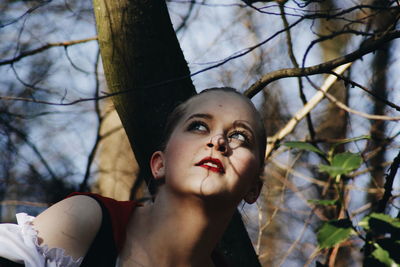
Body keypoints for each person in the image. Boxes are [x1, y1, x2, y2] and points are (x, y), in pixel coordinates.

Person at [0, 87, 266, 267]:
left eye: (240, 136)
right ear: (159, 164)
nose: (218, 140)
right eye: (198, 126)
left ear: (254, 188)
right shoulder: (85, 221)